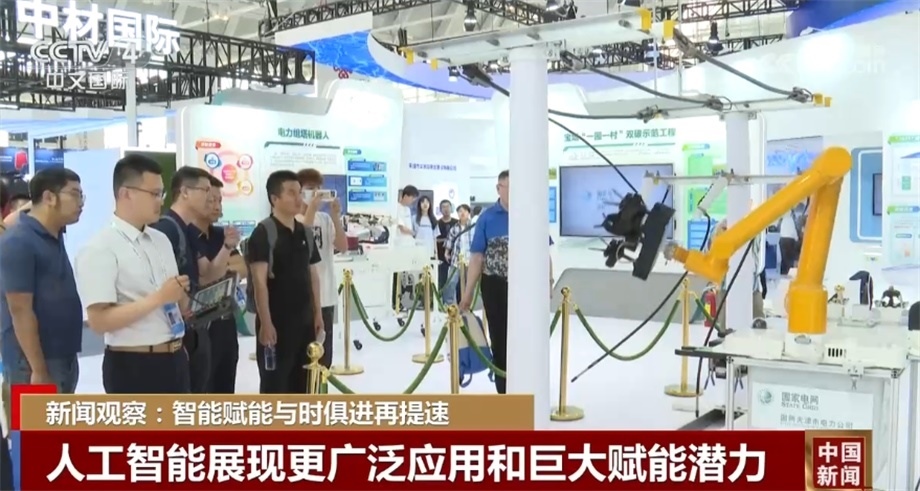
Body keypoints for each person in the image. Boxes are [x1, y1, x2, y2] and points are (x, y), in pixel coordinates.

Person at [75, 154, 191, 394]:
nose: (160, 201)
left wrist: (180, 296)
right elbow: (99, 321)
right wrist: (159, 298)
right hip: (133, 364)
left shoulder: (160, 240)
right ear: (126, 193)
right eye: (154, 194)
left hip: (175, 356)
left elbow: (173, 302)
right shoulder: (100, 247)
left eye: (161, 194)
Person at [459, 171, 554, 394]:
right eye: (508, 187)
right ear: (498, 188)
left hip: (526, 288)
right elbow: (477, 257)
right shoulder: (487, 218)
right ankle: (505, 393)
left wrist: (548, 282)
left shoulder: (531, 215)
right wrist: (468, 293)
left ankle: (529, 390)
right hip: (495, 287)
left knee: (528, 339)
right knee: (500, 339)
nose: (513, 192)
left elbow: (544, 253)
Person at [151, 166, 240, 393]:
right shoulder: (166, 229)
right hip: (173, 336)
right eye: (205, 191)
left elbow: (208, 274)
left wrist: (227, 247)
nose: (211, 199)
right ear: (184, 192)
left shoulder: (188, 231)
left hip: (194, 331)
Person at [0, 168, 84, 393]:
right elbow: (20, 310)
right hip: (31, 364)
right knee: (35, 418)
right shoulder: (18, 242)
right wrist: (38, 369)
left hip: (63, 356)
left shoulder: (53, 233)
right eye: (74, 194)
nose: (81, 202)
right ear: (49, 197)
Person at [248, 170, 323, 394]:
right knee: (275, 384)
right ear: (274, 199)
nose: (299, 198)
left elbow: (313, 276)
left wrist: (318, 313)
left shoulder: (305, 233)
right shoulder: (263, 233)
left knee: (303, 383)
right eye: (291, 193)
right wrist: (266, 323)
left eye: (299, 192)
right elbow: (259, 282)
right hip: (277, 324)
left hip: (304, 322)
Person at [194, 176, 241, 393]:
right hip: (200, 324)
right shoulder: (188, 235)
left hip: (226, 321)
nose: (216, 206)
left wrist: (220, 268)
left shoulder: (222, 234)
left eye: (219, 200)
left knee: (226, 384)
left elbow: (242, 267)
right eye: (210, 200)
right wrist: (222, 264)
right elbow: (204, 277)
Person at [296, 168, 347, 369]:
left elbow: (342, 246)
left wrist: (335, 216)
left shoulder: (324, 219)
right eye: (311, 188)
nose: (316, 192)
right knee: (305, 357)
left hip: (326, 295)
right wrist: (310, 209)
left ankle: (321, 387)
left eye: (319, 188)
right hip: (304, 297)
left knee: (325, 357)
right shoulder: (294, 219)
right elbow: (302, 240)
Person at [392, 186, 420, 310]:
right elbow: (402, 228)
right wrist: (414, 233)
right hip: (399, 247)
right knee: (397, 275)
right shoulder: (396, 208)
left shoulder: (408, 210)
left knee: (406, 276)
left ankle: (403, 301)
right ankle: (395, 302)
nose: (412, 201)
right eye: (412, 198)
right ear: (406, 196)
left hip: (408, 247)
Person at [442, 204, 473, 306]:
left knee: (468, 284)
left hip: (470, 260)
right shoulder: (454, 228)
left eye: (464, 211)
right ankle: (448, 304)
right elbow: (449, 240)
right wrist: (446, 253)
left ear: (468, 213)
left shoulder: (474, 227)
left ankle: (467, 305)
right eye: (460, 211)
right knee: (451, 282)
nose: (462, 213)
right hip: (456, 259)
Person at [436, 200, 458, 289]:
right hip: (441, 256)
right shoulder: (437, 223)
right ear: (440, 209)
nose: (446, 209)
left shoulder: (457, 223)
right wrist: (447, 240)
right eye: (443, 207)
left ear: (451, 208)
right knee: (442, 280)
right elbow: (435, 239)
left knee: (456, 281)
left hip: (455, 256)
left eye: (448, 206)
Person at [778, 209, 799, 275]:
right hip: (790, 240)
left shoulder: (782, 220)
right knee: (790, 256)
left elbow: (778, 230)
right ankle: (791, 268)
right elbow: (794, 230)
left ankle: (783, 271)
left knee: (783, 257)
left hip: (782, 239)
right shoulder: (792, 220)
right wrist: (797, 238)